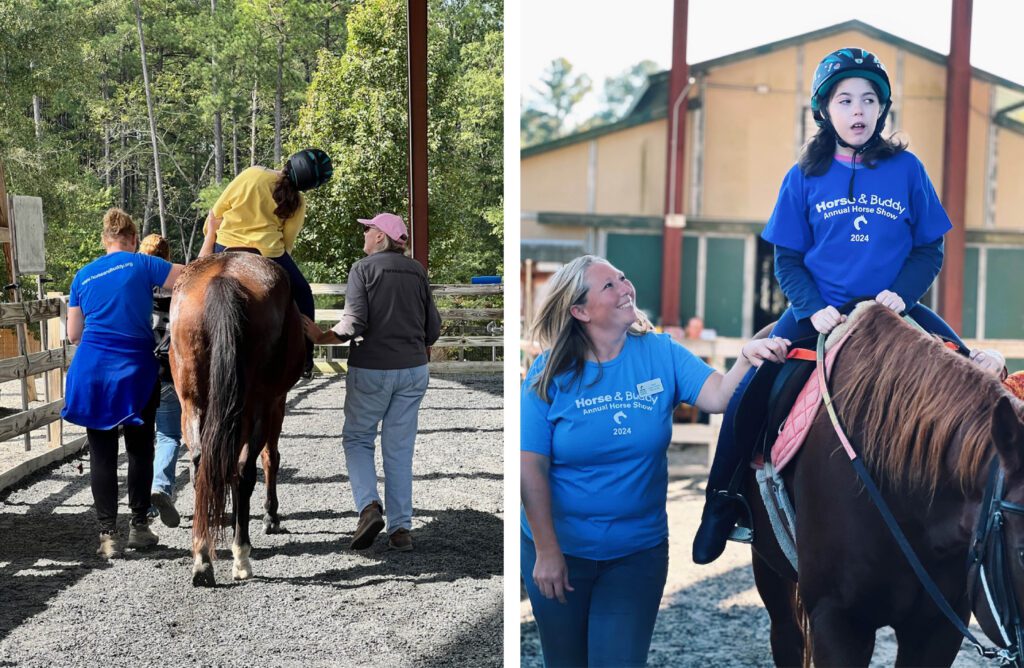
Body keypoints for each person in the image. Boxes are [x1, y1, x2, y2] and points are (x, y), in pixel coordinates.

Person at [692, 47, 998, 565]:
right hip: (820, 313)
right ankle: (722, 505)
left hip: (894, 314)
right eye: (845, 100)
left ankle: (989, 503)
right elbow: (787, 257)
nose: (858, 110)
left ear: (881, 111)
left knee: (973, 375)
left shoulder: (906, 169)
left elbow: (929, 247)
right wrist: (810, 309)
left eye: (869, 100)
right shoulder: (803, 176)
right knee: (753, 388)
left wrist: (902, 294)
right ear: (824, 110)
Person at [520, 255, 790, 667]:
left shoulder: (660, 352)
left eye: (623, 277)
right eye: (609, 286)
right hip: (559, 552)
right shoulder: (549, 373)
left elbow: (718, 397)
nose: (625, 287)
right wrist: (547, 550)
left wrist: (747, 358)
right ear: (580, 311)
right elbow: (530, 468)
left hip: (635, 551)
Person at [302, 213, 441, 552]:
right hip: (413, 371)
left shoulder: (362, 270)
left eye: (368, 229)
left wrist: (322, 336)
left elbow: (354, 322)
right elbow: (433, 329)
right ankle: (401, 530)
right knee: (399, 448)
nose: (364, 233)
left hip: (373, 370)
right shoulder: (418, 271)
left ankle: (369, 507)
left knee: (358, 438)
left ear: (381, 237)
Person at [62, 208, 184, 558]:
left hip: (92, 372)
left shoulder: (82, 276)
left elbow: (74, 335)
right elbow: (187, 279)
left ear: (105, 240)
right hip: (133, 370)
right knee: (140, 450)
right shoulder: (143, 264)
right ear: (133, 239)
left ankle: (107, 537)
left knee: (102, 454)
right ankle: (139, 527)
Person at [199, 148, 333, 375]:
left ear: (290, 161)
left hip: (225, 246)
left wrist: (211, 237)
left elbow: (216, 213)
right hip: (268, 253)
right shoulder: (297, 203)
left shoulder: (252, 174)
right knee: (303, 292)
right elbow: (287, 242)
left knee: (186, 284)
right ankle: (306, 358)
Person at [138, 234, 182, 528]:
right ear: (168, 258)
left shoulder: (135, 290)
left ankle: (141, 504)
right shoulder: (181, 290)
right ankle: (160, 487)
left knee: (140, 441)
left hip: (139, 371)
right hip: (169, 371)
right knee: (169, 436)